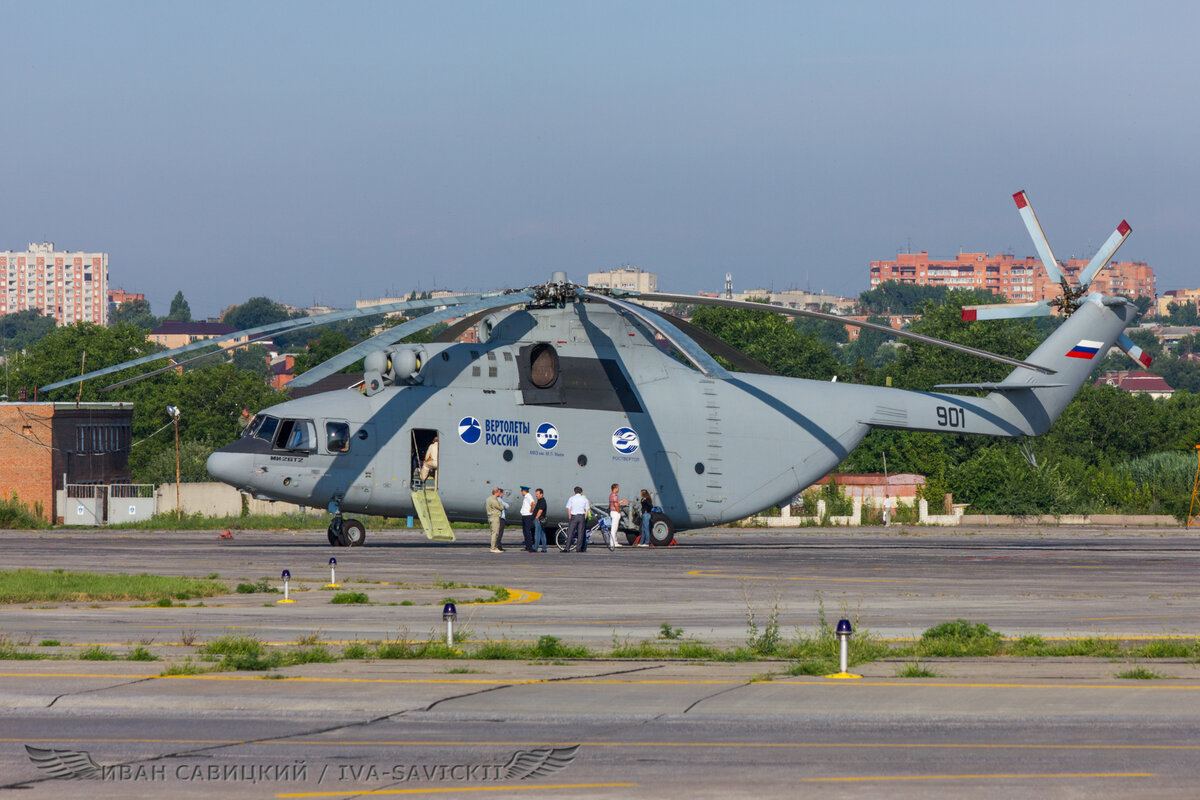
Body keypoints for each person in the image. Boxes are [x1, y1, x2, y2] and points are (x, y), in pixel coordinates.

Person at [565, 486, 590, 553]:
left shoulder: (571, 498)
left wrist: (570, 516)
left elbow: (569, 508)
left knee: (570, 532)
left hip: (574, 516)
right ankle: (578, 549)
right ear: (581, 492)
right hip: (581, 516)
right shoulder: (584, 499)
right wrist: (584, 517)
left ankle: (567, 548)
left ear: (574, 491)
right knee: (580, 533)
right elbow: (587, 510)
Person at [486, 486, 507, 553]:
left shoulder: (488, 499)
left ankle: (494, 547)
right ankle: (493, 548)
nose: (499, 493)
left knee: (493, 533)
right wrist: (501, 504)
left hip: (490, 517)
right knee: (495, 533)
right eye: (498, 492)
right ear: (496, 493)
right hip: (495, 517)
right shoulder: (495, 500)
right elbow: (502, 507)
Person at [608, 483, 628, 547]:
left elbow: (615, 502)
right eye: (618, 487)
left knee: (614, 528)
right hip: (615, 512)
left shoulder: (611, 495)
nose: (618, 489)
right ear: (615, 488)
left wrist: (621, 501)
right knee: (614, 529)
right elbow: (616, 504)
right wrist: (618, 512)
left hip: (613, 512)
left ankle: (614, 542)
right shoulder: (615, 495)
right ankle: (613, 543)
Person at [519, 486, 535, 552]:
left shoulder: (528, 496)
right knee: (525, 531)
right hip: (524, 515)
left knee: (527, 531)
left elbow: (533, 503)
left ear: (524, 491)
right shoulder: (526, 497)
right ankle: (527, 546)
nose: (521, 492)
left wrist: (531, 510)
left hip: (527, 516)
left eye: (521, 491)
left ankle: (530, 547)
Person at [532, 488, 548, 552]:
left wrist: (536, 517)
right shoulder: (540, 501)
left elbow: (540, 510)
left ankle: (535, 548)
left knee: (537, 534)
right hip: (541, 520)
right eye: (536, 494)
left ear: (541, 494)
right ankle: (544, 548)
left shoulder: (542, 501)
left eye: (537, 494)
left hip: (539, 519)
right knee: (542, 534)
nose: (536, 495)